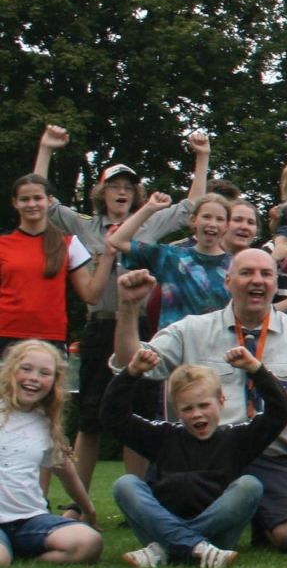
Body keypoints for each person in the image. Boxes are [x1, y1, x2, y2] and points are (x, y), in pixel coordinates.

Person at [112, 252, 287, 549]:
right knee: (163, 505)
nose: (257, 280)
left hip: (270, 457)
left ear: (276, 283)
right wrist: (127, 308)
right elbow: (129, 364)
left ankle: (180, 541)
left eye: (266, 274)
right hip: (202, 454)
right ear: (228, 281)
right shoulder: (193, 329)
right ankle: (196, 542)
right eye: (246, 273)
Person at [35, 125, 210, 493]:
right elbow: (41, 199)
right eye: (115, 187)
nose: (122, 193)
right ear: (102, 192)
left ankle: (138, 499)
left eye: (129, 188)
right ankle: (79, 503)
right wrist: (47, 149)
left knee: (140, 415)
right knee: (90, 419)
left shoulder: (150, 221)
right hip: (100, 327)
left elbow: (192, 208)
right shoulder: (84, 225)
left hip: (142, 331)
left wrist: (201, 156)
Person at [103, 344, 287, 568]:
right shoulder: (163, 437)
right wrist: (131, 373)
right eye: (188, 409)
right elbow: (113, 417)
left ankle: (168, 548)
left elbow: (279, 413)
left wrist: (255, 369)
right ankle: (194, 546)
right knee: (126, 484)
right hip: (164, 524)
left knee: (250, 485)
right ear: (177, 410)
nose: (197, 414)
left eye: (204, 405)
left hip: (217, 538)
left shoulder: (237, 439)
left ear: (221, 401)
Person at [0, 340, 101, 566]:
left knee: (89, 542)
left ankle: (31, 558)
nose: (34, 377)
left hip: (31, 520)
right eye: (26, 369)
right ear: (10, 370)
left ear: (54, 383)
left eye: (45, 373)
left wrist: (88, 510)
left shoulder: (46, 425)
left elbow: (67, 474)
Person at [105, 191, 234, 327]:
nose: (212, 224)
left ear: (226, 226)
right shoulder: (169, 256)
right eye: (206, 217)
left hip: (217, 344)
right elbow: (117, 240)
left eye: (219, 219)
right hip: (173, 344)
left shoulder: (235, 267)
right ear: (193, 220)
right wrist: (149, 208)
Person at [0, 175, 99, 353]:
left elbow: (91, 295)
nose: (31, 204)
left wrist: (108, 257)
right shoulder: (3, 244)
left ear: (49, 200)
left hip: (50, 338)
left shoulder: (68, 244)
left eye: (37, 198)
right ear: (15, 203)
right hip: (6, 335)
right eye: (24, 199)